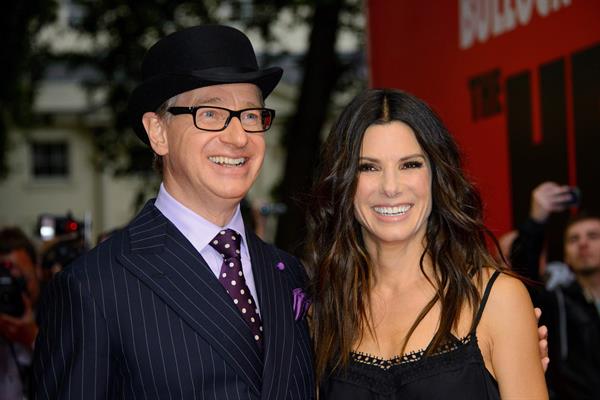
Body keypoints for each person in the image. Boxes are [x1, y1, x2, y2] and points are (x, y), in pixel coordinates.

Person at [32, 25, 314, 399]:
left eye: (250, 115)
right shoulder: (93, 288)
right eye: (211, 114)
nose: (237, 137)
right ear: (158, 132)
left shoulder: (287, 273)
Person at [306, 89, 548, 399]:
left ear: (436, 174)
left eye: (410, 165)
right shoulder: (322, 311)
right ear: (343, 181)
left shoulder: (497, 299)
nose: (390, 187)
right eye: (368, 167)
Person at [510, 181, 600, 399]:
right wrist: (535, 221)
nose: (583, 244)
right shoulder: (557, 301)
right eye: (573, 239)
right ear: (566, 255)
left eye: (593, 236)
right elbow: (524, 277)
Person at [0, 227, 40, 399]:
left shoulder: (61, 315)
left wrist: (33, 339)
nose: (12, 292)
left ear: (37, 270)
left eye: (20, 281)